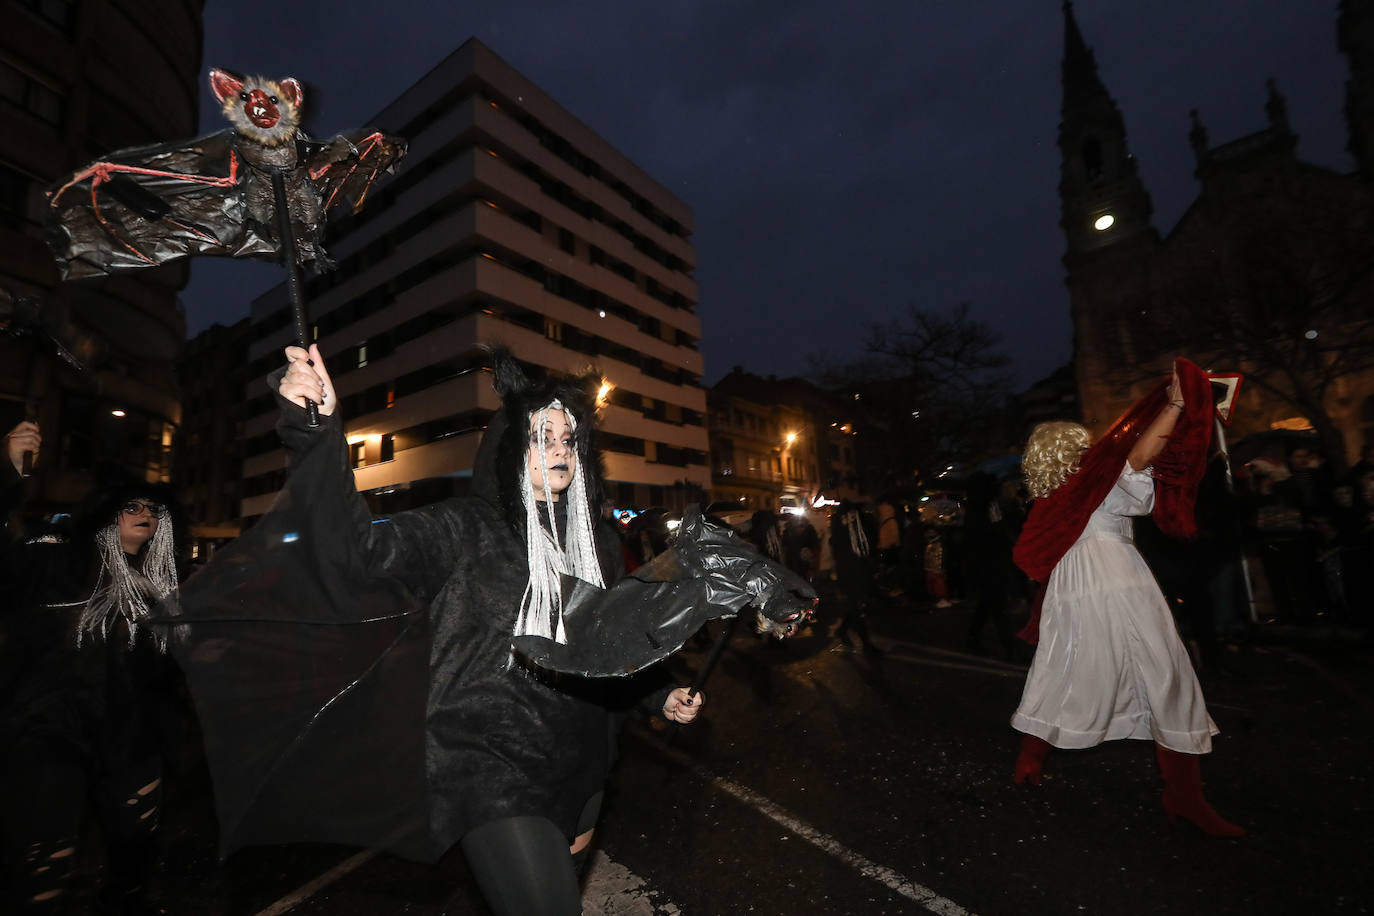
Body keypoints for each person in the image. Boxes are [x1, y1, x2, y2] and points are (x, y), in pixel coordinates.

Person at [270, 345, 704, 914]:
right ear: (507, 449)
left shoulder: (594, 543)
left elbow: (610, 644)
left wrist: (659, 692)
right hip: (488, 764)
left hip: (580, 760)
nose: (558, 450)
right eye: (540, 437)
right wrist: (315, 432)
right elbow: (355, 552)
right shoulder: (462, 527)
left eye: (568, 439)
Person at [1009, 360, 1245, 838]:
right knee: (1163, 676)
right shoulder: (1086, 482)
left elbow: (1133, 459)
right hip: (1113, 580)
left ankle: (1032, 762)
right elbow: (1138, 458)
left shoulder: (1062, 493)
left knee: (1072, 672)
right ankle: (1183, 795)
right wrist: (1176, 406)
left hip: (1080, 587)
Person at [1, 421, 184, 914]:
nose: (144, 513)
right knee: (43, 865)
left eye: (152, 509)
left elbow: (166, 673)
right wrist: (9, 470)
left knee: (135, 848)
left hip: (129, 738)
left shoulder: (158, 587)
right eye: (132, 505)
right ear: (105, 513)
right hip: (50, 734)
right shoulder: (60, 556)